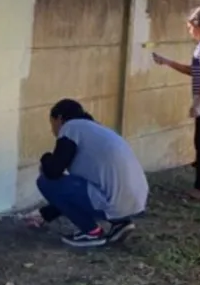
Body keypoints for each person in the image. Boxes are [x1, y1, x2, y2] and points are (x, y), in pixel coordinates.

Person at [24, 99, 150, 248]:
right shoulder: (96, 129)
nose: (53, 131)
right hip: (136, 200)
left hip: (115, 201)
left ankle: (92, 232)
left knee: (45, 182)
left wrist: (45, 158)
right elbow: (73, 194)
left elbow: (53, 172)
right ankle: (120, 223)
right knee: (70, 184)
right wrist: (44, 215)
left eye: (52, 124)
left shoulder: (71, 128)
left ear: (59, 118)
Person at [152, 6, 200, 200]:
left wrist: (199, 102)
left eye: (189, 27)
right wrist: (167, 62)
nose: (189, 32)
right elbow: (193, 71)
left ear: (198, 25)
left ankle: (199, 188)